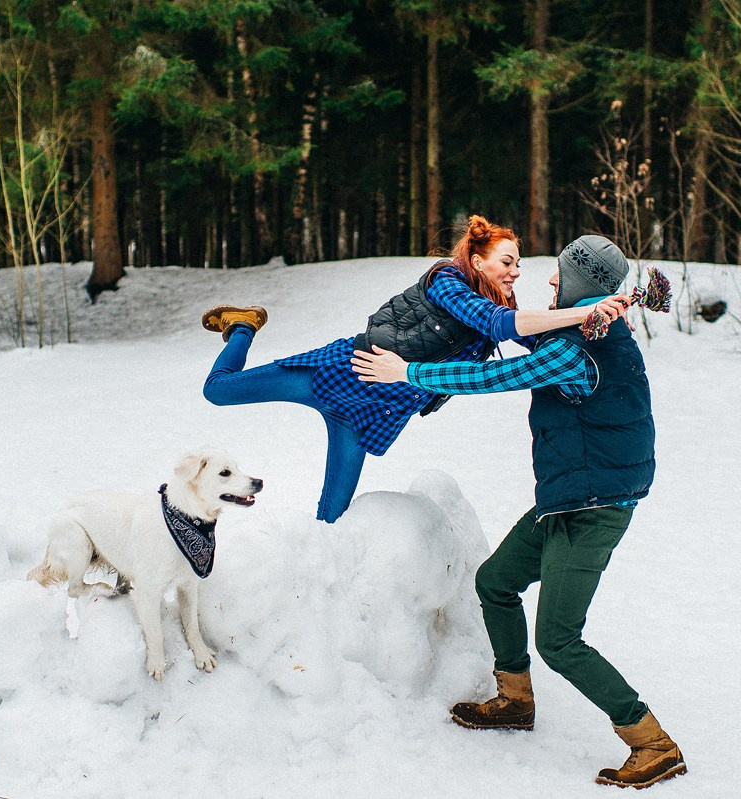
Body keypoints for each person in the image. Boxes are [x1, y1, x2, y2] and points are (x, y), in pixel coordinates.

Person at [350, 234, 686, 790]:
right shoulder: (588, 324)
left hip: (595, 506)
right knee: (496, 582)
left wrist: (407, 373)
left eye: (560, 276)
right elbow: (519, 341)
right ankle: (515, 699)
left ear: (581, 287)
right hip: (568, 495)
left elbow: (495, 377)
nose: (549, 281)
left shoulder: (578, 347)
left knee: (559, 639)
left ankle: (651, 741)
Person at [199, 215, 629, 523]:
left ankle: (318, 595)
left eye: (518, 264)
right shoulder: (448, 281)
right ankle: (243, 324)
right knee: (218, 391)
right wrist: (577, 315)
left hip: (370, 412)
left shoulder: (500, 306)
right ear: (477, 261)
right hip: (342, 373)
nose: (516, 272)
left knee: (332, 517)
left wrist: (601, 317)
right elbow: (499, 324)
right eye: (507, 262)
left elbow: (541, 342)